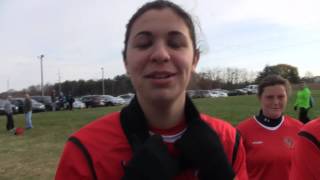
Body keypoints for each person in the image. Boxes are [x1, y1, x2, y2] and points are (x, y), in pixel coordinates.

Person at [55, 1, 248, 179]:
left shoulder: (228, 140)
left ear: (195, 59)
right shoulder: (85, 150)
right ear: (126, 61)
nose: (160, 55)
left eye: (175, 43)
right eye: (144, 44)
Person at [237, 75, 303, 180]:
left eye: (281, 97)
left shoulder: (299, 128)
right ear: (260, 98)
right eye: (269, 97)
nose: (276, 102)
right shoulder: (242, 131)